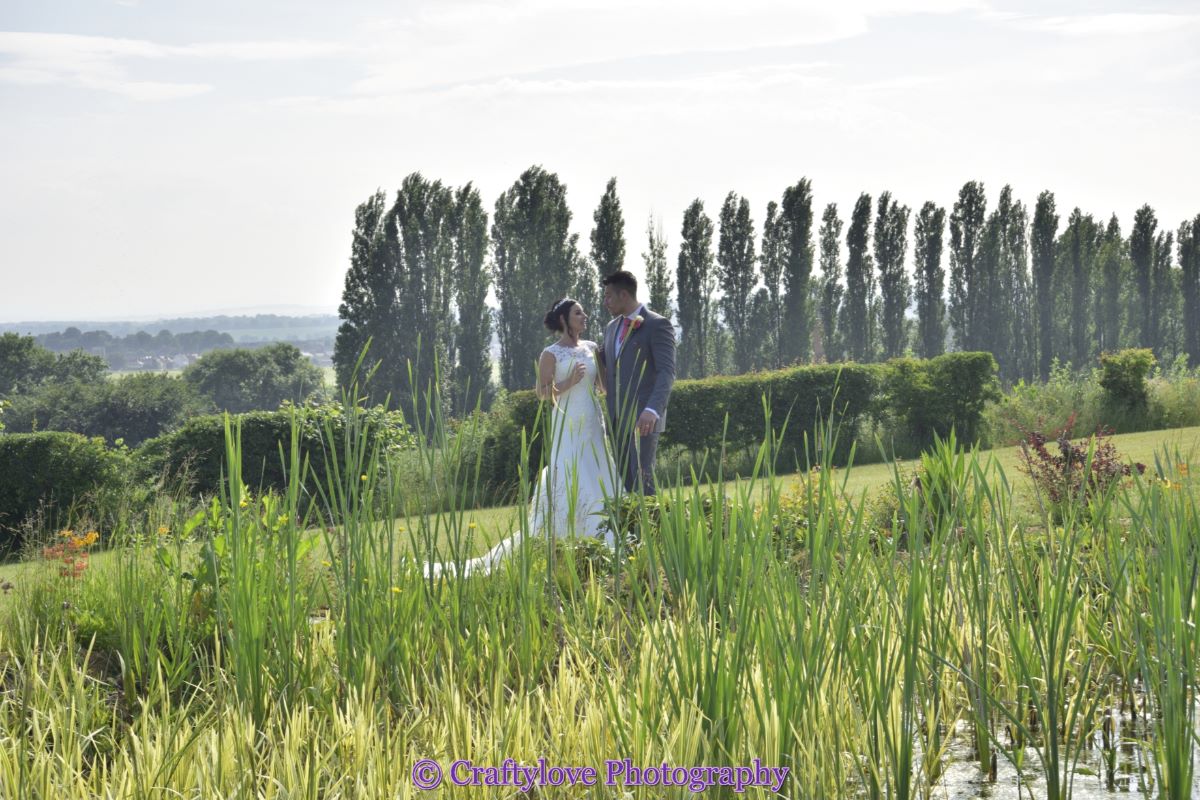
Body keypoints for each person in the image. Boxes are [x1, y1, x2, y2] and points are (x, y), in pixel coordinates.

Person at [424, 297, 618, 578]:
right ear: (564, 319)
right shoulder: (550, 353)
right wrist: (569, 383)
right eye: (578, 313)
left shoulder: (590, 348)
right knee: (573, 472)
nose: (584, 316)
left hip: (592, 422)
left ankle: (606, 532)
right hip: (567, 423)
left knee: (600, 470)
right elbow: (542, 393)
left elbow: (602, 386)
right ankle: (571, 536)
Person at [597, 270, 676, 496]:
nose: (605, 302)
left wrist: (653, 409)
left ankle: (656, 528)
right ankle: (632, 531)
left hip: (644, 417)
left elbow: (666, 372)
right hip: (616, 417)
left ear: (624, 295)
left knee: (643, 477)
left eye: (608, 296)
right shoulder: (611, 328)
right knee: (625, 481)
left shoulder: (657, 325)